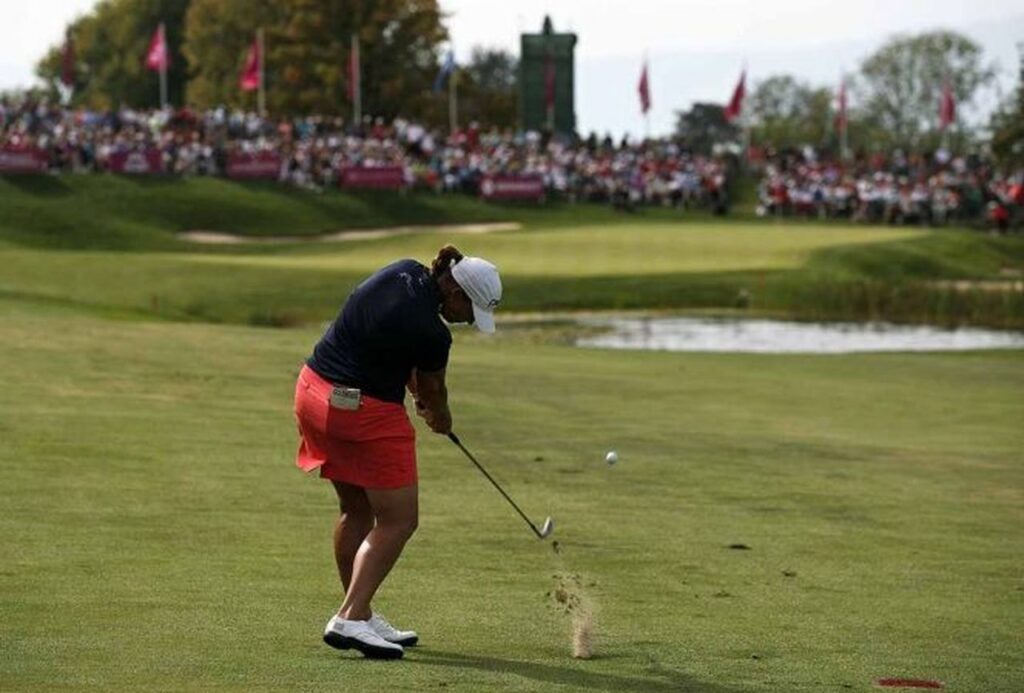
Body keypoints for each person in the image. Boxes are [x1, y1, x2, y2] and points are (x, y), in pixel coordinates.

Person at [293, 245, 502, 660]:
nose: (465, 321)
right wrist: (441, 418)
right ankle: (350, 617)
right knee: (400, 520)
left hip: (312, 392)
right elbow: (433, 393)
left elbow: (386, 340)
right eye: (470, 312)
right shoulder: (433, 333)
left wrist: (415, 389)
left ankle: (361, 612)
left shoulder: (402, 272)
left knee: (356, 510)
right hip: (361, 413)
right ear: (456, 293)